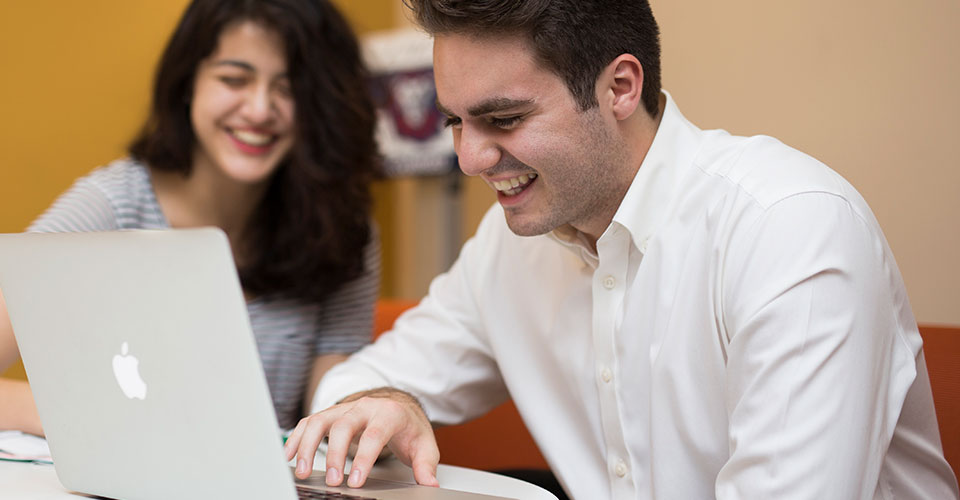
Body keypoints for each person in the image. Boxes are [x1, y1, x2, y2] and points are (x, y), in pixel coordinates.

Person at [284, 1, 959, 498]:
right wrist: (387, 398)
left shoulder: (789, 229)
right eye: (456, 121)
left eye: (504, 119)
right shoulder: (513, 243)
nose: (469, 158)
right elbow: (350, 393)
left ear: (620, 87)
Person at [0, 0, 381, 435]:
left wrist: (368, 418)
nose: (259, 108)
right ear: (187, 83)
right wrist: (76, 413)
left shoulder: (339, 227)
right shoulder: (111, 205)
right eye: (234, 78)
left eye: (288, 89)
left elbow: (334, 404)